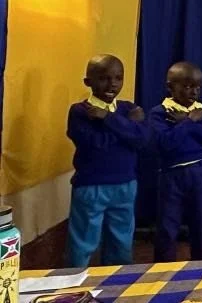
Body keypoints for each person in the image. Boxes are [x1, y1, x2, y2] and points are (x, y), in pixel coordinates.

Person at [65, 54, 149, 268]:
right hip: (91, 186)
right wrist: (125, 128)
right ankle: (74, 283)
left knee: (121, 242)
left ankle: (116, 282)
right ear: (88, 82)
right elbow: (97, 144)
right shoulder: (80, 111)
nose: (112, 84)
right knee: (83, 242)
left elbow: (142, 140)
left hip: (125, 184)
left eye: (118, 78)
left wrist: (108, 118)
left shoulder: (127, 108)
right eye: (103, 78)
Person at [149, 61, 202, 262]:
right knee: (167, 227)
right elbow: (166, 143)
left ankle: (201, 270)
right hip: (172, 174)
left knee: (201, 225)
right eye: (187, 86)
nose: (193, 91)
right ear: (170, 86)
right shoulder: (159, 113)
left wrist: (187, 122)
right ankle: (164, 272)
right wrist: (190, 122)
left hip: (201, 172)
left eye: (197, 87)